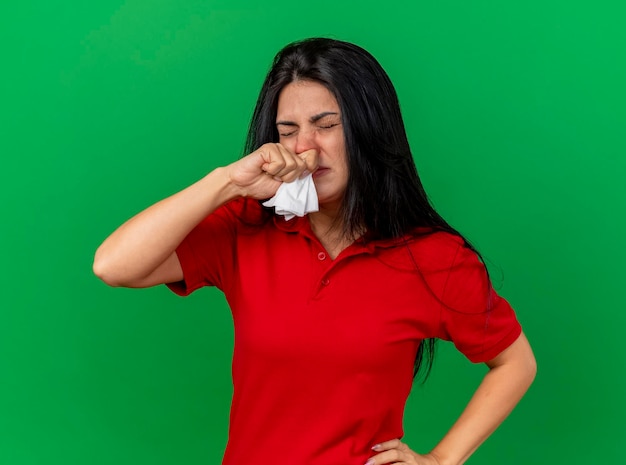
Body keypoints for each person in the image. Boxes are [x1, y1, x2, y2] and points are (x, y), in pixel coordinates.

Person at [94, 38, 536, 465]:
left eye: (326, 125)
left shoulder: (435, 258)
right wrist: (227, 182)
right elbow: (113, 265)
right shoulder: (245, 228)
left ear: (369, 127)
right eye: (288, 131)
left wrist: (442, 459)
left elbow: (515, 362)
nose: (305, 146)